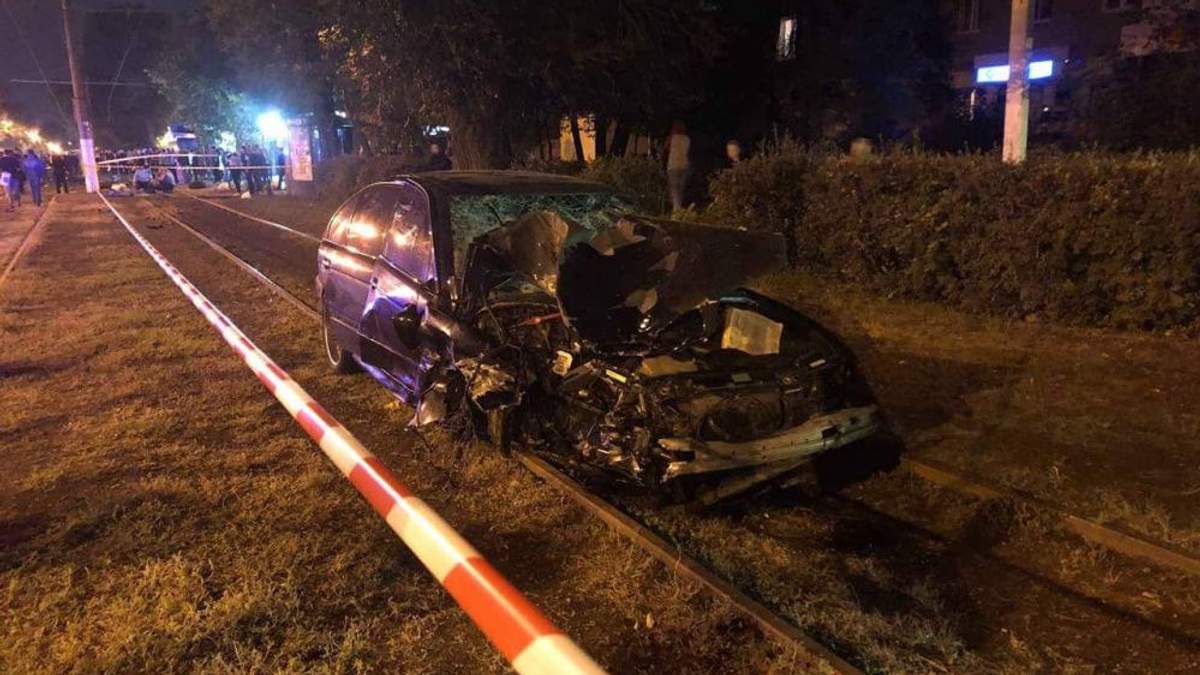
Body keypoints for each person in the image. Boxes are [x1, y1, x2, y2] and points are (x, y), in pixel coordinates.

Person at [664, 121, 691, 210]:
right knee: (680, 189)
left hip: (673, 165)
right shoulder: (687, 139)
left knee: (674, 189)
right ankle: (679, 209)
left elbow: (666, 147)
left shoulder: (672, 137)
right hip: (684, 165)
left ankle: (676, 210)